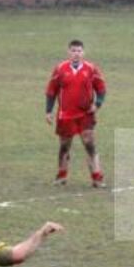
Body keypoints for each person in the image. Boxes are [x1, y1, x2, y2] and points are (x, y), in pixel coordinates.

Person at [45, 40, 107, 188]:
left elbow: (101, 88)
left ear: (83, 53)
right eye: (73, 51)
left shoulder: (91, 69)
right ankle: (61, 175)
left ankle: (97, 177)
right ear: (69, 52)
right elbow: (51, 91)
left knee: (89, 143)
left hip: (85, 114)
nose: (76, 54)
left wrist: (97, 104)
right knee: (65, 146)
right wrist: (48, 111)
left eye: (79, 51)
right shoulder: (60, 69)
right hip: (65, 115)